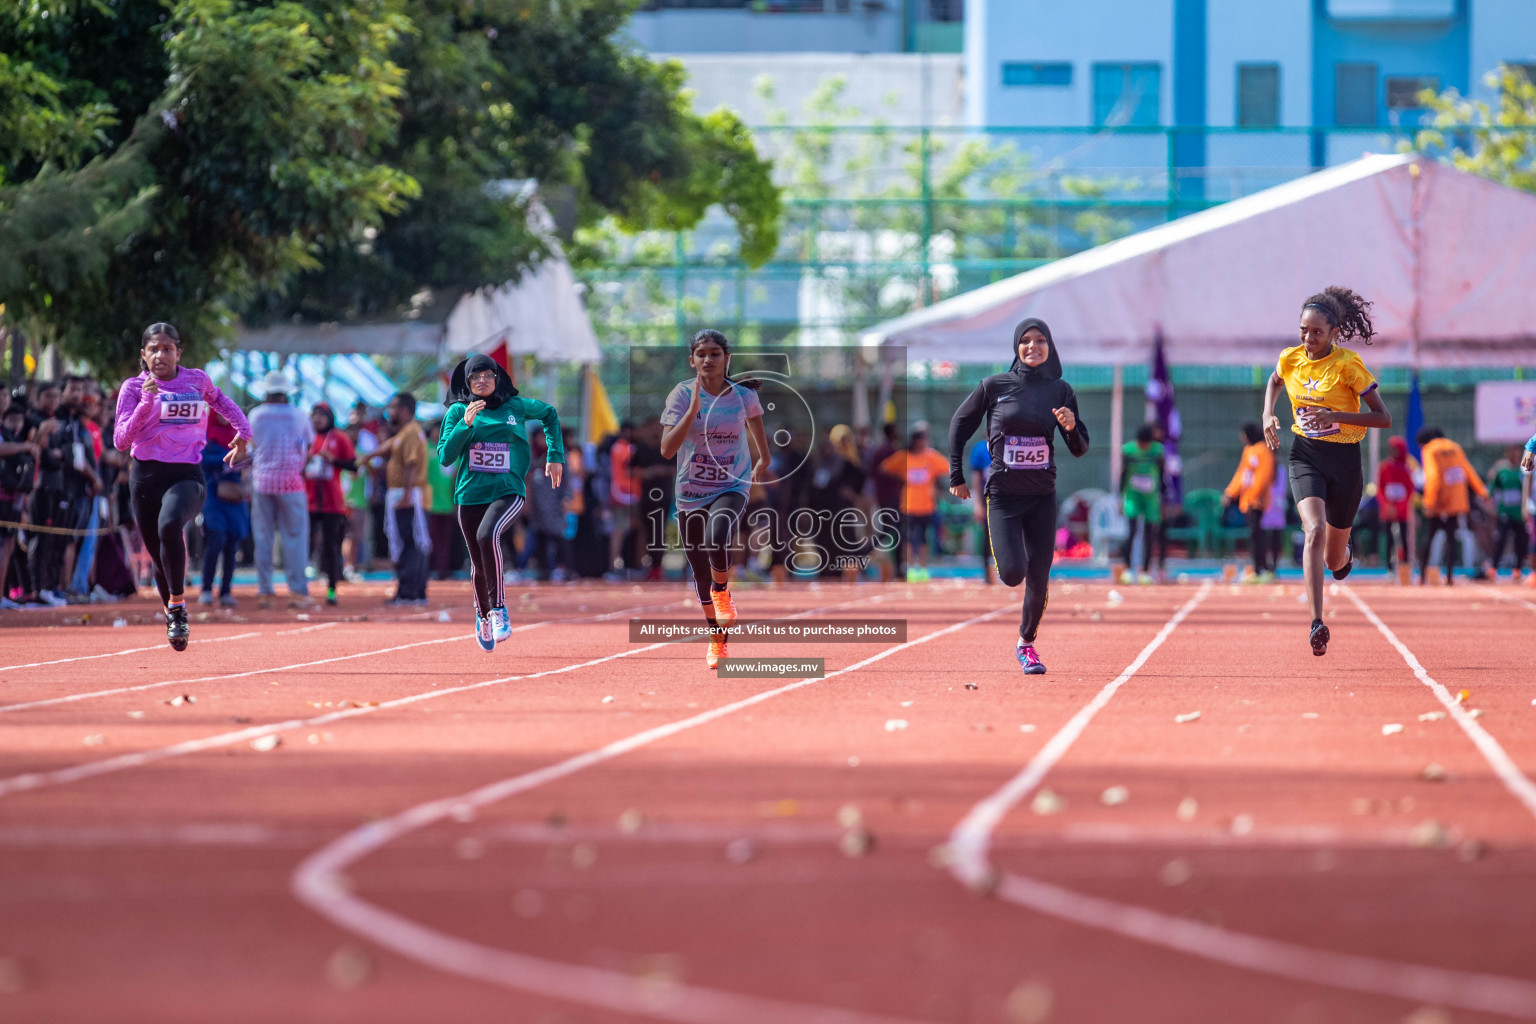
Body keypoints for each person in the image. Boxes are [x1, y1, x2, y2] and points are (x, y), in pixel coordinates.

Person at [948, 317, 1090, 675]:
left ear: (1049, 346)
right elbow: (959, 425)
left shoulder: (1061, 391)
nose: (1033, 346)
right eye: (1026, 340)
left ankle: (1027, 644)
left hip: (1042, 496)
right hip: (1005, 497)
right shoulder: (994, 386)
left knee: (1039, 578)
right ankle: (1016, 569)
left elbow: (1079, 447)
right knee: (1013, 573)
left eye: (1040, 340)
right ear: (1016, 347)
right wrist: (957, 475)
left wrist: (1071, 428)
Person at [1260, 287, 1391, 656]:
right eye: (1303, 330)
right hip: (1305, 455)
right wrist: (1268, 412)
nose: (1308, 338)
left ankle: (1344, 555)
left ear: (1334, 332)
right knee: (1312, 529)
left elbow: (1383, 417)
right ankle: (1317, 621)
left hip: (1345, 461)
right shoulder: (1291, 358)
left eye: (1316, 332)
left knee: (1334, 560)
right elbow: (1274, 380)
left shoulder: (1349, 365)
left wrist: (1335, 416)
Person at [113, 322, 251, 649]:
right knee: (161, 557)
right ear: (143, 355)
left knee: (170, 524)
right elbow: (121, 441)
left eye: (167, 348)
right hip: (145, 477)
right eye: (154, 349)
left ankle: (176, 608)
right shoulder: (133, 388)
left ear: (178, 351)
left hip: (187, 475)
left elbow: (222, 402)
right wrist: (147, 403)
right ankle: (174, 611)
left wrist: (243, 432)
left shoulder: (196, 380)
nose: (161, 355)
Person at [437, 353, 564, 650]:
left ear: (498, 378)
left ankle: (498, 610)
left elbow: (550, 414)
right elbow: (445, 457)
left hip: (508, 490)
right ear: (467, 382)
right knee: (478, 562)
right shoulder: (457, 412)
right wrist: (464, 425)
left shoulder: (515, 406)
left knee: (487, 535)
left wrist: (554, 455)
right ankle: (482, 615)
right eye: (476, 376)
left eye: (488, 375)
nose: (483, 380)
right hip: (470, 495)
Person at [659, 330, 769, 670]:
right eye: (702, 354)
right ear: (692, 360)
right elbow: (666, 450)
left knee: (717, 537)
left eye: (715, 353)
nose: (708, 359)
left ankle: (724, 591)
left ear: (727, 359)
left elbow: (755, 425)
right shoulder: (680, 395)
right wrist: (691, 412)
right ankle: (716, 640)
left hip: (731, 484)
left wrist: (764, 457)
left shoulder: (743, 396)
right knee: (699, 572)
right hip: (690, 491)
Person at [248, 370, 314, 608]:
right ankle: (297, 591)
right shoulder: (299, 415)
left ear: (266, 392)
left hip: (262, 481)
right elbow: (308, 446)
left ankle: (265, 591)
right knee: (294, 537)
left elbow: (249, 448)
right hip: (291, 482)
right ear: (286, 393)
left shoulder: (255, 415)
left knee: (263, 536)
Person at [373, 392, 432, 605]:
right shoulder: (405, 433)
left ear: (405, 410)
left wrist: (406, 495)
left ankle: (410, 592)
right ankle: (414, 591)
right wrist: (364, 459)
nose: (390, 412)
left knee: (410, 544)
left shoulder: (411, 432)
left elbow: (411, 464)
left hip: (408, 496)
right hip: (405, 495)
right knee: (410, 543)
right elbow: (386, 447)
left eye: (393, 407)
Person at [1416, 425, 1488, 586]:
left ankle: (1422, 575)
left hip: (1438, 501)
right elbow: (1468, 471)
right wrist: (1483, 492)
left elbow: (1433, 476)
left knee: (1429, 537)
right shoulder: (1455, 447)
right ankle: (1449, 576)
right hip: (1456, 501)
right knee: (1451, 538)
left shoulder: (1430, 449)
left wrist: (1429, 502)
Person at [880, 425, 950, 582]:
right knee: (909, 539)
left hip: (926, 504)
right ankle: (911, 568)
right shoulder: (904, 456)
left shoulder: (931, 456)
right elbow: (884, 467)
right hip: (909, 505)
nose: (924, 442)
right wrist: (900, 476)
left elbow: (947, 467)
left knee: (924, 538)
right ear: (915, 441)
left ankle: (924, 568)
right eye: (922, 439)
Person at [302, 402, 356, 606]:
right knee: (304, 546)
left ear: (330, 417)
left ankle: (332, 589)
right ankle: (301, 589)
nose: (317, 419)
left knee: (331, 547)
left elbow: (354, 465)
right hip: (308, 501)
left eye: (321, 415)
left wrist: (333, 460)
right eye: (314, 415)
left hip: (333, 503)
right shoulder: (307, 437)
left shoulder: (340, 438)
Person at [198, 413, 249, 608]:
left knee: (232, 543)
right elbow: (201, 460)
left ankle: (226, 590)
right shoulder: (205, 436)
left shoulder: (238, 437)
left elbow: (248, 462)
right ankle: (206, 589)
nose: (224, 416)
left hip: (235, 498)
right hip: (213, 497)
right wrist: (228, 457)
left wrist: (246, 457)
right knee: (216, 538)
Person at [1222, 421, 1276, 581]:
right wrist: (1230, 493)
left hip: (1257, 500)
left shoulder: (1263, 450)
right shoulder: (1248, 450)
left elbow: (1264, 476)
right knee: (1254, 534)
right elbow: (1241, 474)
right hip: (1249, 500)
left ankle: (1263, 568)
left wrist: (1254, 495)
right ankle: (1258, 567)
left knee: (1257, 534)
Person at [0, 402, 40, 609]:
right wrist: (25, 446)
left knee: (8, 547)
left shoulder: (12, 435)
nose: (16, 423)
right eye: (12, 419)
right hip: (2, 498)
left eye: (19, 420)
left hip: (13, 499)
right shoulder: (12, 440)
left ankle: (2, 596)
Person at [1119, 424, 1165, 584]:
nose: (1143, 447)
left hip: (1151, 498)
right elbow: (1123, 473)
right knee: (1131, 532)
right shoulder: (1128, 450)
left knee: (1149, 534)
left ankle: (1145, 570)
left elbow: (1162, 473)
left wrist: (1163, 498)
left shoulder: (1157, 450)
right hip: (1133, 496)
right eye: (1141, 443)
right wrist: (1120, 497)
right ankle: (1127, 568)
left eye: (1146, 444)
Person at [1376, 435, 1417, 577]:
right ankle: (1389, 568)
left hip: (1402, 509)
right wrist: (1386, 505)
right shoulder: (1384, 467)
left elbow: (1410, 490)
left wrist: (1399, 507)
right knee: (1389, 539)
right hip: (1388, 509)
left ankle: (1405, 566)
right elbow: (1380, 489)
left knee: (1404, 538)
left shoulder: (1407, 469)